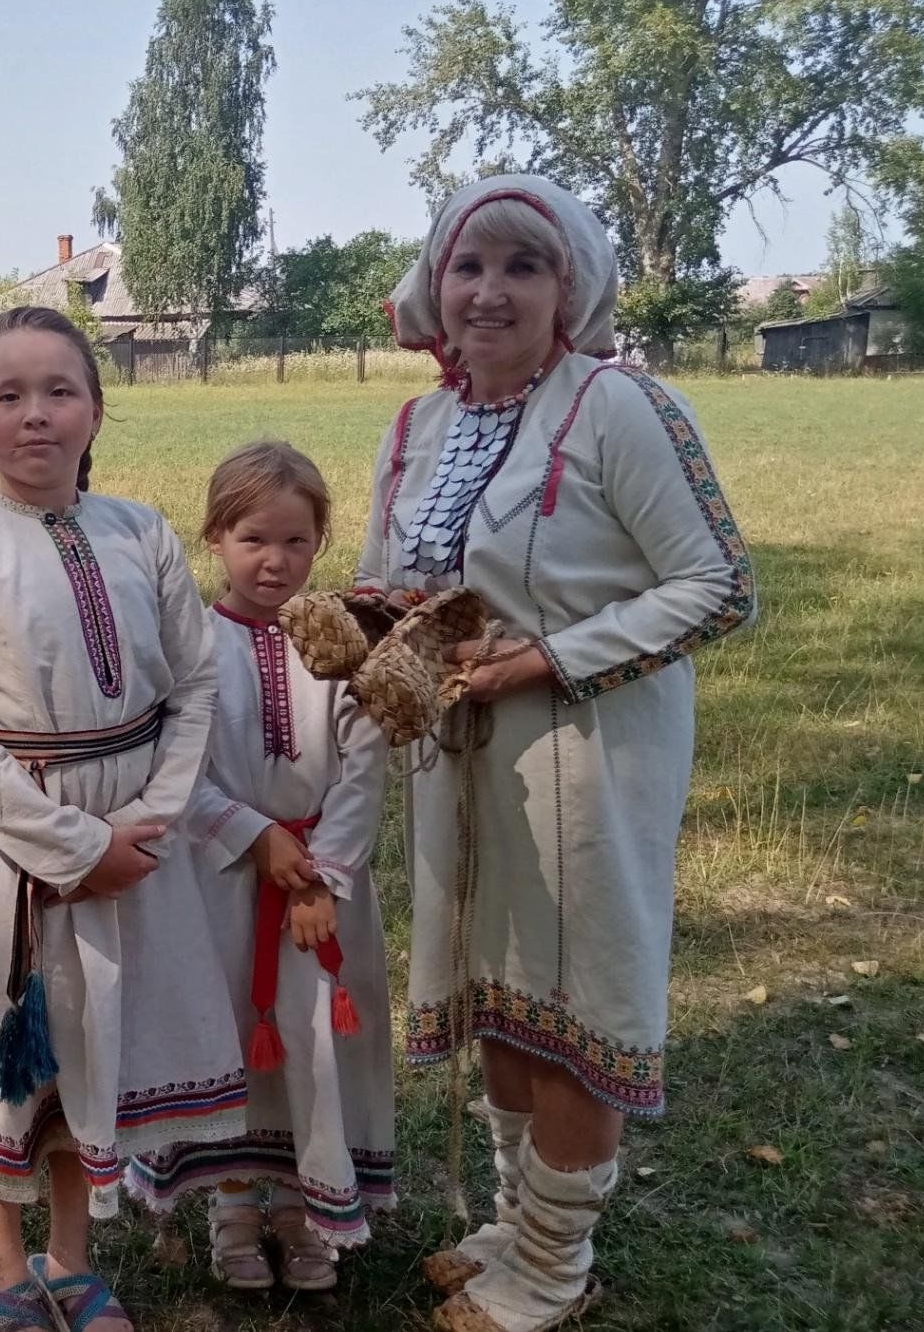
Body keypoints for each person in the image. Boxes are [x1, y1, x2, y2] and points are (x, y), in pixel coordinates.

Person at [362, 175, 756, 1332]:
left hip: (587, 749)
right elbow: (410, 575)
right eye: (466, 266)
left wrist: (548, 657)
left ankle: (550, 1266)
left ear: (567, 286)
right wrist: (374, 624)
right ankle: (512, 1223)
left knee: (573, 998)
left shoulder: (618, 406)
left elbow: (720, 586)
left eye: (521, 267)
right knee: (497, 991)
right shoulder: (418, 424)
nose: (487, 292)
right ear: (435, 284)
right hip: (463, 749)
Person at [0, 306, 244, 1332]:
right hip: (22, 845)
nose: (35, 416)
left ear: (96, 408)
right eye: (7, 395)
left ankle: (70, 1254)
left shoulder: (139, 530)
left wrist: (145, 822)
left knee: (102, 1038)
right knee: (22, 1040)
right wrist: (74, 849)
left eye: (59, 391)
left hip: (140, 838)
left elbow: (194, 685)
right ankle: (4, 1265)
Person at [126, 441, 395, 1293]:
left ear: (319, 542)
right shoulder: (191, 646)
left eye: (295, 541)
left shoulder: (343, 650)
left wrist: (319, 873)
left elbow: (365, 763)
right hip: (222, 885)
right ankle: (231, 1205)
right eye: (252, 539)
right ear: (214, 536)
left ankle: (304, 1206)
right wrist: (255, 837)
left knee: (314, 1042)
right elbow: (179, 771)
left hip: (324, 894)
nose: (273, 560)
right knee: (232, 1034)